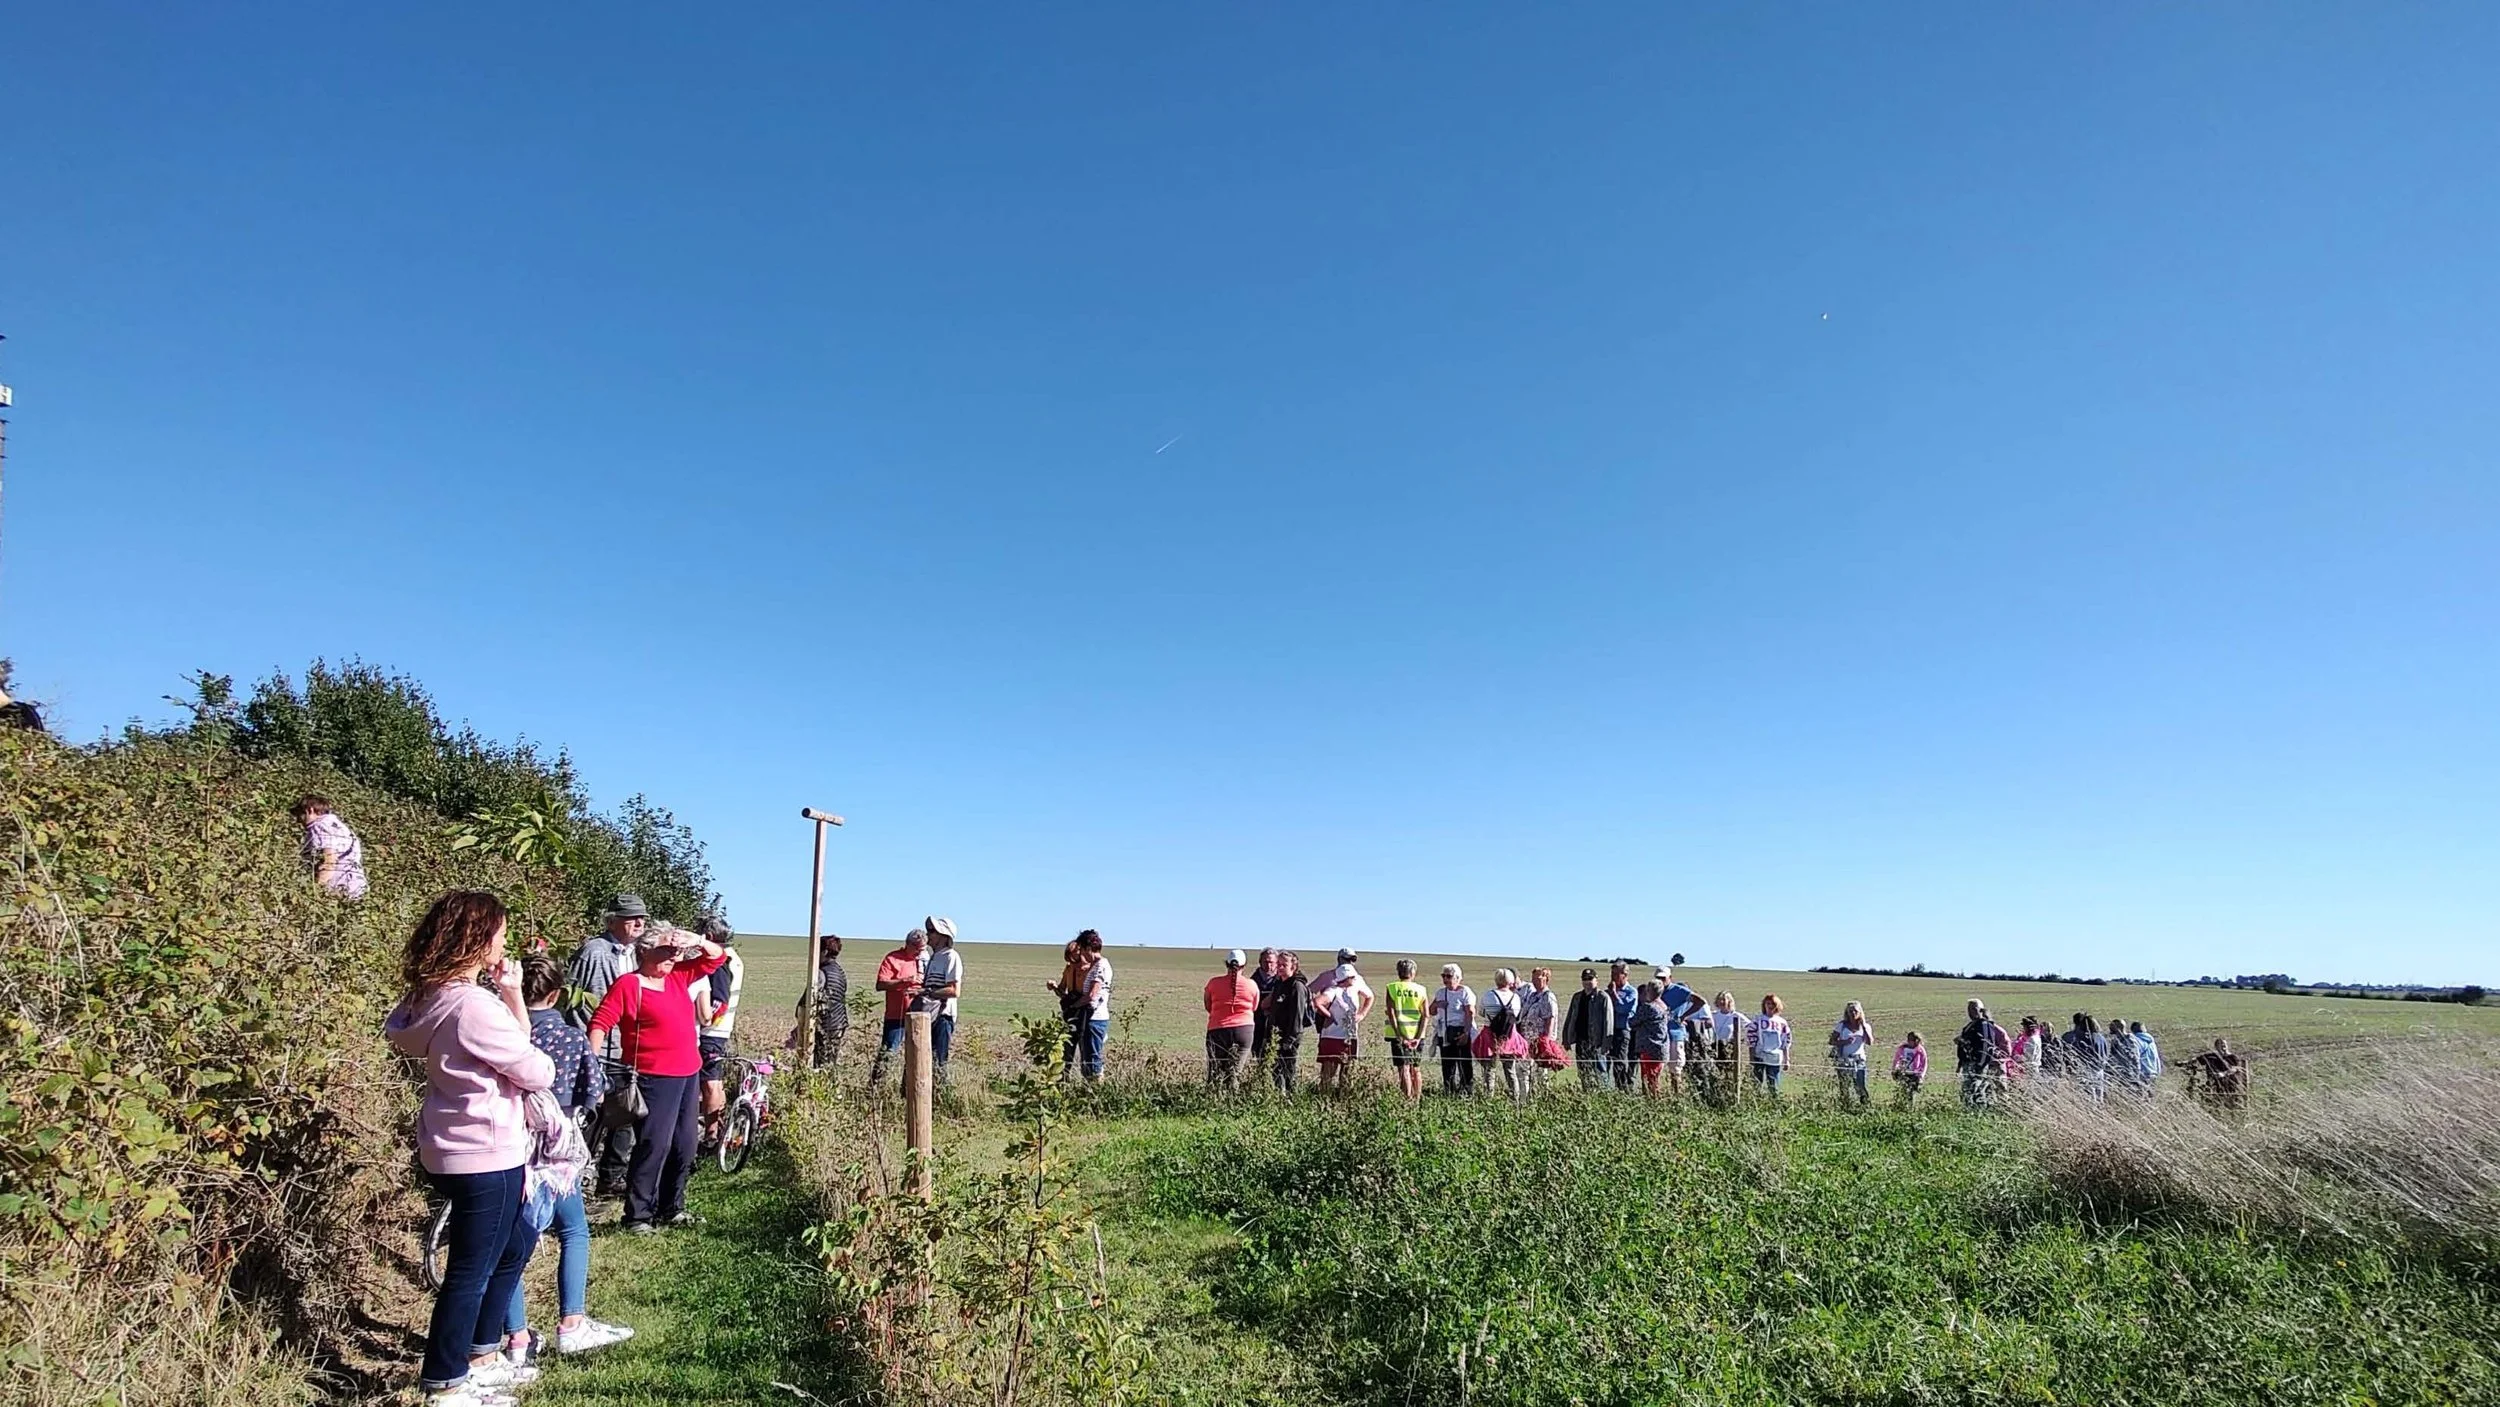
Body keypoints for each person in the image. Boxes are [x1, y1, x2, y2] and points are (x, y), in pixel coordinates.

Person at [383, 890, 554, 1407]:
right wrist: (503, 1002)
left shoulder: (430, 998)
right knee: (470, 1272)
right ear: (477, 940)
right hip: (487, 1150)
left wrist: (512, 992)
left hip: (449, 1144)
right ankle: (445, 1381)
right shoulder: (473, 1007)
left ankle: (480, 1354)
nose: (505, 942)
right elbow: (536, 1069)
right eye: (499, 933)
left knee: (515, 1243)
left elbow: (510, 1045)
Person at [502, 958, 633, 1360]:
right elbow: (595, 1089)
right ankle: (572, 1322)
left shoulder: (501, 1032)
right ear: (557, 994)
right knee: (574, 1230)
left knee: (511, 1247)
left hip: (508, 1147)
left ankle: (516, 1337)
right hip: (554, 1152)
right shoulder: (569, 1038)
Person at [586, 922, 728, 1233]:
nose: (675, 955)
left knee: (685, 1145)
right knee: (654, 1145)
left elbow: (717, 958)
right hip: (653, 1077)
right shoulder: (630, 985)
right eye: (668, 949)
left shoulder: (679, 975)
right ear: (646, 950)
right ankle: (637, 1215)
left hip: (688, 1073)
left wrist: (696, 940)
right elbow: (600, 1022)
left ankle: (671, 1208)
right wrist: (592, 1066)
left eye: (677, 950)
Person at [567, 894, 648, 1199]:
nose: (639, 923)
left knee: (624, 1113)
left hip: (625, 1048)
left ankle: (611, 1178)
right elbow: (573, 998)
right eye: (631, 918)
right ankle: (575, 1178)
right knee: (590, 1115)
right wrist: (584, 1045)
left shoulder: (637, 953)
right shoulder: (594, 952)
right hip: (597, 1047)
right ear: (612, 921)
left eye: (642, 918)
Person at [694, 916, 742, 1147]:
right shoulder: (733, 958)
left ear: (709, 937)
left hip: (711, 1032)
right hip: (720, 1030)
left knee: (710, 1081)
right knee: (715, 1080)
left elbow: (719, 1001)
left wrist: (704, 1022)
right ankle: (717, 1132)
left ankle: (711, 1136)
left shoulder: (720, 962)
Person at [868, 928, 927, 1086]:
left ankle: (908, 1089)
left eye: (923, 948)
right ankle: (875, 1088)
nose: (920, 952)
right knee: (888, 1053)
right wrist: (904, 981)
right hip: (896, 1017)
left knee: (916, 1055)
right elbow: (880, 984)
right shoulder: (893, 959)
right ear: (909, 944)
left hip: (919, 1016)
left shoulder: (924, 960)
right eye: (918, 948)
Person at [1313, 958, 1372, 1093]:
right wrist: (1329, 1016)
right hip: (1332, 1036)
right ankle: (1324, 1096)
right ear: (1346, 978)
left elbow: (1370, 996)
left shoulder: (1353, 990)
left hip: (1350, 1036)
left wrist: (1362, 1014)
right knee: (1329, 1071)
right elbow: (1317, 1002)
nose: (1354, 979)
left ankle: (1343, 1097)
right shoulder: (1333, 991)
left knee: (1348, 1071)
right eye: (1352, 977)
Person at [1203, 949, 1259, 1091]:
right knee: (1235, 1073)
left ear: (1226, 964)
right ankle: (1233, 1097)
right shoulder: (1252, 985)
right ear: (1244, 965)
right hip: (1244, 1030)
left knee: (1215, 1071)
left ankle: (1213, 1098)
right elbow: (1254, 1007)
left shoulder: (1213, 983)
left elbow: (1208, 1005)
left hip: (1217, 1029)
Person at [294, 794, 369, 900]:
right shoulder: (339, 827)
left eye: (299, 814)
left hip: (338, 889)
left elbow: (329, 862)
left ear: (310, 810)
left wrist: (315, 893)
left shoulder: (319, 827)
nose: (298, 820)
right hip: (357, 887)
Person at [918, 918, 964, 1080]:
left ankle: (941, 1092)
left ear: (944, 936)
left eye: (932, 931)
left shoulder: (951, 956)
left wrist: (927, 992)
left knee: (939, 1062)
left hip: (943, 1016)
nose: (928, 935)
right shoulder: (933, 957)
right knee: (923, 1059)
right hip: (928, 1015)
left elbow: (954, 990)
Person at [1381, 958, 1429, 1102]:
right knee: (1416, 1067)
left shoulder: (1392, 988)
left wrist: (1399, 1035)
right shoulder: (1421, 990)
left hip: (1399, 1035)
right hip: (1417, 1033)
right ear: (1413, 973)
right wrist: (1418, 1037)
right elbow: (1426, 1015)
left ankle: (1407, 1101)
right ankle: (1417, 1100)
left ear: (1398, 972)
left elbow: (1391, 1014)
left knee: (1404, 1069)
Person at [1560, 968, 1616, 1091]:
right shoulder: (1577, 997)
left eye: (1590, 979)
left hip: (1596, 1043)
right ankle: (1587, 1095)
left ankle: (1603, 1096)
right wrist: (1566, 1038)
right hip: (1581, 1041)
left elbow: (1608, 1022)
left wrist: (1606, 1044)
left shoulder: (1603, 997)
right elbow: (1570, 1018)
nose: (1587, 982)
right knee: (1583, 1072)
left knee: (1600, 1073)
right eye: (1584, 979)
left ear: (1596, 980)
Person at [1263, 950, 1310, 1093]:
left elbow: (1297, 1016)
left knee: (1288, 1070)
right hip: (1276, 1034)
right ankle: (1280, 1096)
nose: (1280, 967)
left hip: (1289, 1036)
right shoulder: (1279, 984)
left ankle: (1290, 1097)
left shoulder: (1297, 986)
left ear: (1293, 967)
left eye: (1284, 965)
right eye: (1278, 964)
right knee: (1276, 1070)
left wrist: (1289, 1040)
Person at [799, 935, 849, 1070]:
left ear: (824, 952)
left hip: (825, 1024)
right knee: (830, 1063)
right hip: (839, 1023)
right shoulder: (840, 972)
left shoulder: (821, 973)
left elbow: (809, 999)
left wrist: (801, 1017)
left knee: (819, 1063)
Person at [1429, 964, 1477, 1096]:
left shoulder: (1465, 992)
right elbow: (1431, 1011)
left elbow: (1470, 1013)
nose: (1445, 979)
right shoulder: (1440, 992)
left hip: (1461, 1029)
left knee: (1464, 1064)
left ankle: (1466, 1092)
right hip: (1444, 1031)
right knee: (1447, 1064)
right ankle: (1449, 1092)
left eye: (1448, 976)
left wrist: (1466, 1033)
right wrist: (1437, 1004)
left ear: (1457, 977)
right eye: (1443, 976)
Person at [1954, 1001, 2010, 1109]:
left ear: (1981, 1010)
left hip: (1977, 1064)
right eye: (1969, 1009)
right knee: (1968, 1091)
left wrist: (1981, 1064)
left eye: (1974, 1009)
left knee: (1978, 1090)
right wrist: (1960, 1063)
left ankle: (1979, 1112)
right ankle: (1969, 1111)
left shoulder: (1984, 1024)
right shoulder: (1971, 1025)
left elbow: (1986, 1046)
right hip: (1968, 1063)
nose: (1971, 1012)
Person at [1044, 938, 1088, 1076]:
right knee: (1067, 1046)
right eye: (1070, 954)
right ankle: (1063, 1078)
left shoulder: (1089, 969)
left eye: (1075, 953)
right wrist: (1054, 987)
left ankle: (1087, 1079)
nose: (1073, 958)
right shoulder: (1069, 969)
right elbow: (1062, 993)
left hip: (1084, 1012)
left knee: (1085, 1047)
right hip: (1069, 1012)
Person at [1658, 968, 1703, 1098]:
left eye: (1663, 978)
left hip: (1675, 1034)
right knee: (1657, 1068)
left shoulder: (1679, 990)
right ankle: (1658, 1097)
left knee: (1675, 1068)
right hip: (1658, 1036)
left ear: (1670, 978)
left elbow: (1700, 1001)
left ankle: (1677, 1096)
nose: (1661, 981)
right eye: (1658, 978)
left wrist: (1684, 1016)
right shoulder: (1654, 990)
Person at [1476, 970, 1523, 1094]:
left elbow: (1481, 1012)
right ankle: (1515, 1097)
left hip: (1490, 1035)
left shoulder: (1488, 995)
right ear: (1510, 981)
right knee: (1510, 1069)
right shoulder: (1515, 998)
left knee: (1490, 1069)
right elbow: (1517, 1016)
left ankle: (1489, 1096)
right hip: (1509, 1036)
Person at [1076, 930, 1113, 1082]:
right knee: (1087, 1057)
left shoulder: (1101, 966)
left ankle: (1097, 1087)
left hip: (1095, 1018)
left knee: (1093, 1057)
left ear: (1088, 948)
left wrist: (1074, 1006)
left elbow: (1092, 994)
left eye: (1082, 950)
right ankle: (1088, 1087)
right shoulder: (1095, 965)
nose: (1082, 954)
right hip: (1090, 1017)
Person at [1518, 968, 1561, 1093]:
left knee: (1541, 1072)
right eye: (1533, 978)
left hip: (1540, 1041)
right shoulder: (1532, 995)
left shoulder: (1548, 996)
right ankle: (1526, 1097)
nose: (1535, 981)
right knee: (1525, 1070)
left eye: (1538, 978)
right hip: (1528, 1040)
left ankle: (1543, 1096)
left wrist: (1546, 1041)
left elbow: (1550, 1018)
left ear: (1546, 979)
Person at [1827, 1000, 1876, 1108]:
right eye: (1850, 1011)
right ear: (1847, 1013)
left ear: (1860, 1012)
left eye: (1855, 1011)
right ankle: (1845, 1105)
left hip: (1859, 1060)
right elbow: (1831, 1041)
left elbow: (1870, 1042)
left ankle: (1865, 1107)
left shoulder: (1865, 1026)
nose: (1853, 1013)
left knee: (1860, 1085)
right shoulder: (1842, 1025)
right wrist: (1844, 1042)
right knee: (1844, 1085)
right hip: (1844, 1059)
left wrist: (1863, 1027)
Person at [1703, 991, 1746, 1105]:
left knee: (1729, 1072)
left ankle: (1731, 1093)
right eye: (1720, 999)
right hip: (1714, 1046)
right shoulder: (1713, 1015)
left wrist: (1741, 1040)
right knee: (1714, 1071)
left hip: (1729, 1048)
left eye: (1724, 999)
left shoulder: (1736, 1016)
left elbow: (1750, 1026)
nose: (1722, 1002)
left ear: (1730, 1001)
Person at [2060, 1012, 2110, 1101]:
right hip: (2100, 1069)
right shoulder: (2101, 1037)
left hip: (2087, 1070)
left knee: (2089, 1097)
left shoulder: (2084, 1038)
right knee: (2099, 1096)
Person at [1630, 982, 1670, 1095]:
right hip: (1661, 1047)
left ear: (1649, 991)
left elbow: (1632, 1022)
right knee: (1655, 1078)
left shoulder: (1648, 1007)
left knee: (1649, 1079)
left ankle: (1653, 1102)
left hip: (1649, 1047)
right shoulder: (1664, 1006)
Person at [1749, 994, 1791, 1098]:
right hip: (1759, 1056)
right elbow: (1751, 1038)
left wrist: (1786, 1059)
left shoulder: (1782, 1022)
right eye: (1768, 1003)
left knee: (1774, 1086)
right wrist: (1752, 1056)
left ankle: (1774, 1103)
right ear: (1764, 1005)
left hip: (1775, 1058)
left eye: (1773, 1004)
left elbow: (1785, 1042)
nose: (1770, 1006)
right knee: (1756, 1084)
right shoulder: (1757, 1020)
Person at [2189, 1037, 2249, 1111]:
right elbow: (2197, 1060)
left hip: (2230, 1085)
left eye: (2224, 1044)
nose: (2223, 1046)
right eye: (2220, 1045)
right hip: (2215, 1086)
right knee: (2214, 1105)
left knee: (2231, 1106)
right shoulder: (2211, 1057)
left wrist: (2223, 1074)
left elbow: (2235, 1069)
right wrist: (2186, 1063)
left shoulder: (2232, 1057)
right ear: (2216, 1047)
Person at [1606, 963, 1639, 1091]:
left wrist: (1614, 994)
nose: (1613, 977)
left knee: (1619, 1061)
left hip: (1622, 1030)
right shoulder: (1607, 992)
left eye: (1616, 974)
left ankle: (1622, 1089)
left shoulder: (1631, 992)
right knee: (1605, 1060)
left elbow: (1623, 1009)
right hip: (1608, 1030)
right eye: (1612, 974)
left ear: (1624, 975)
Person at [1249, 947, 1281, 1070]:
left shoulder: (1281, 980)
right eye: (1265, 962)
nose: (1268, 965)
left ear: (1277, 963)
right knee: (1257, 1053)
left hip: (1277, 1023)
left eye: (1271, 962)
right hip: (1257, 1022)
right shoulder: (1252, 981)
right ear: (1260, 962)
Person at [1891, 1031, 1927, 1108]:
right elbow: (1896, 1059)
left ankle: (1910, 1107)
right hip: (1903, 1072)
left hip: (1914, 1073)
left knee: (1911, 1091)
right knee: (1903, 1090)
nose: (1910, 1041)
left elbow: (1924, 1063)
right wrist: (1894, 1070)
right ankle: (1903, 1106)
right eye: (1909, 1039)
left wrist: (1921, 1075)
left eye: (1912, 1040)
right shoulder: (1902, 1048)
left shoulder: (1920, 1050)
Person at [2007, 1016, 2045, 1086]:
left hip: (2030, 1070)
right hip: (2027, 1068)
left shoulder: (2032, 1039)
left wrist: (2014, 1056)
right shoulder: (2032, 1037)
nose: (2023, 1028)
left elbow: (2028, 1057)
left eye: (2024, 1026)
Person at [2129, 1020, 2164, 1095]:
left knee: (2140, 1096)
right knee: (2150, 1096)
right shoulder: (2152, 1042)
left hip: (2143, 1073)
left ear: (2132, 1030)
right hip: (2153, 1073)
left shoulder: (2135, 1041)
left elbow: (2134, 1057)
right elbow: (2157, 1058)